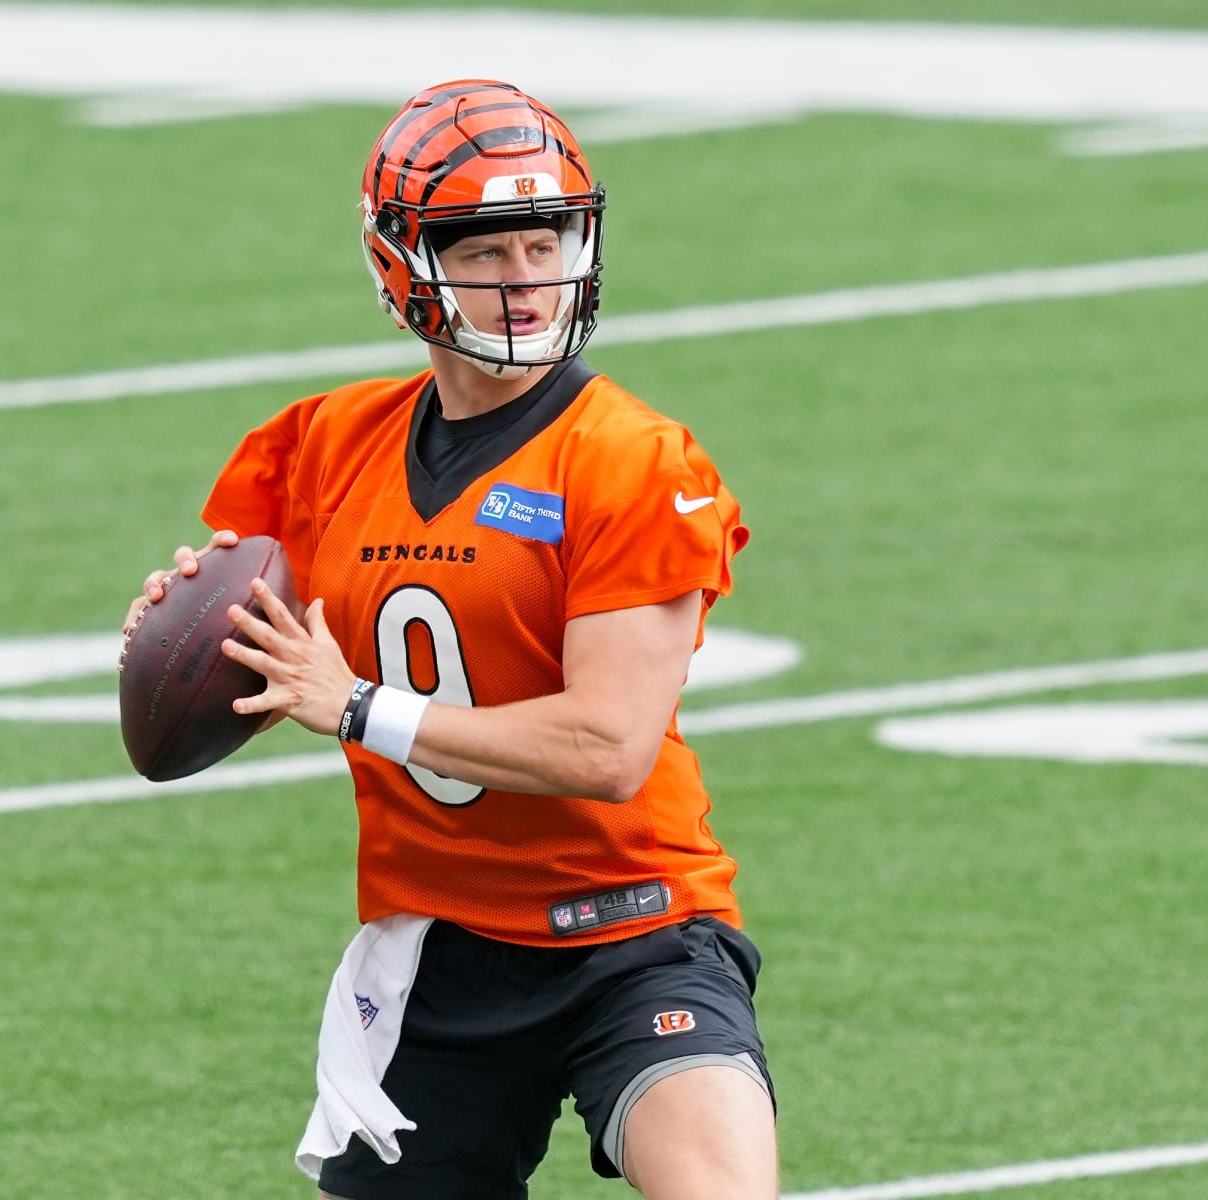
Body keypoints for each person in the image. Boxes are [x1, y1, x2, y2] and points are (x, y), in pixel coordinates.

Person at [126, 79, 775, 1200]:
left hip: (634, 931)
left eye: (544, 242)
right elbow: (257, 638)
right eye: (485, 251)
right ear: (403, 261)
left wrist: (360, 706)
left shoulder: (632, 460)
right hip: (437, 951)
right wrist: (187, 627)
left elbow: (608, 749)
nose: (525, 281)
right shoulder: (327, 446)